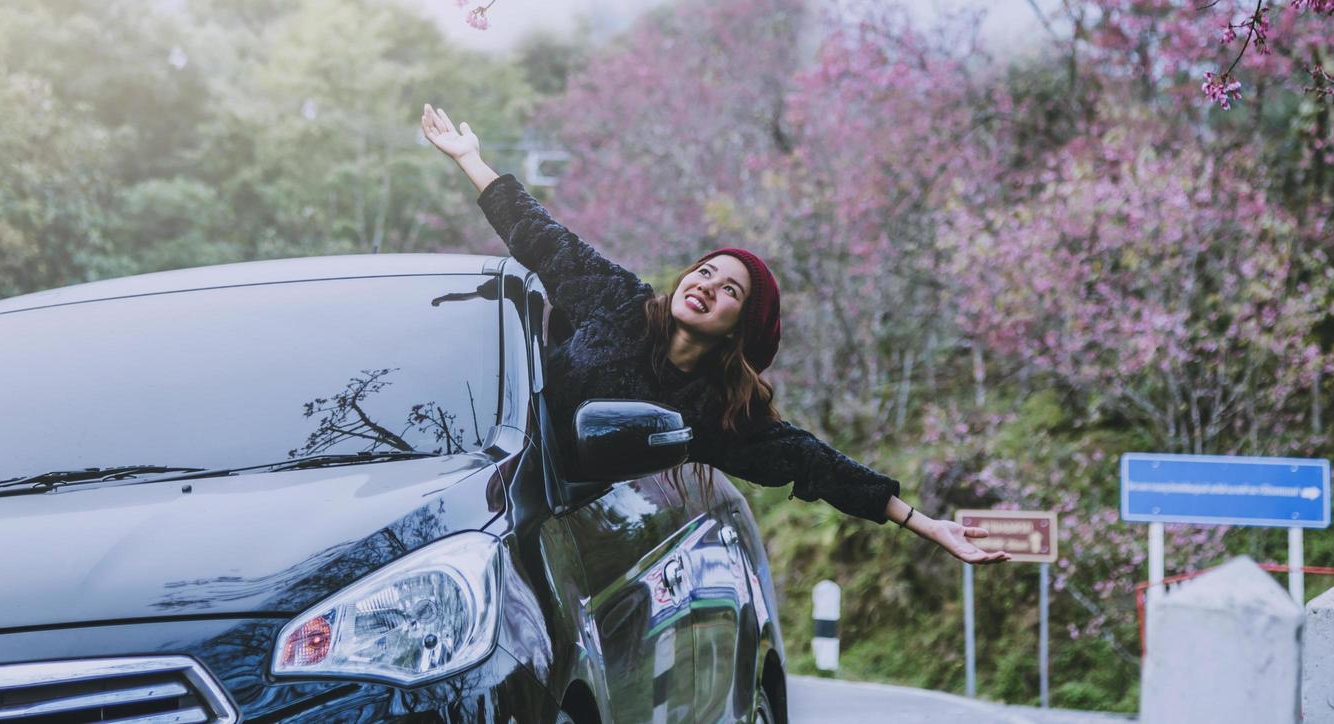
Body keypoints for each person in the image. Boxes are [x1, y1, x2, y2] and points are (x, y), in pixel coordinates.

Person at [420, 104, 1011, 565]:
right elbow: (539, 235)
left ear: (739, 331)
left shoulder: (719, 414)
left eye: (730, 289)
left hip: (562, 515)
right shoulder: (620, 301)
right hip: (487, 465)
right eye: (705, 271)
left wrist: (927, 524)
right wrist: (469, 158)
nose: (706, 284)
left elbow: (819, 466)